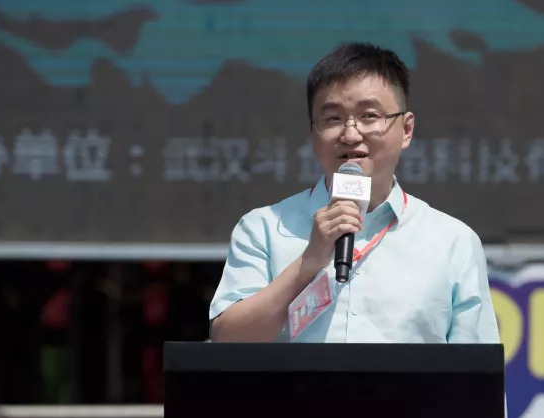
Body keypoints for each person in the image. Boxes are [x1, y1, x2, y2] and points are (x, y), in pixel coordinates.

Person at [208, 41, 500, 344]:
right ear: (313, 131)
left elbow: (477, 367)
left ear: (406, 129)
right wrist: (309, 262)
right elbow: (227, 339)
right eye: (333, 118)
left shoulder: (453, 242)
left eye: (369, 116)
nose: (350, 134)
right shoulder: (264, 228)